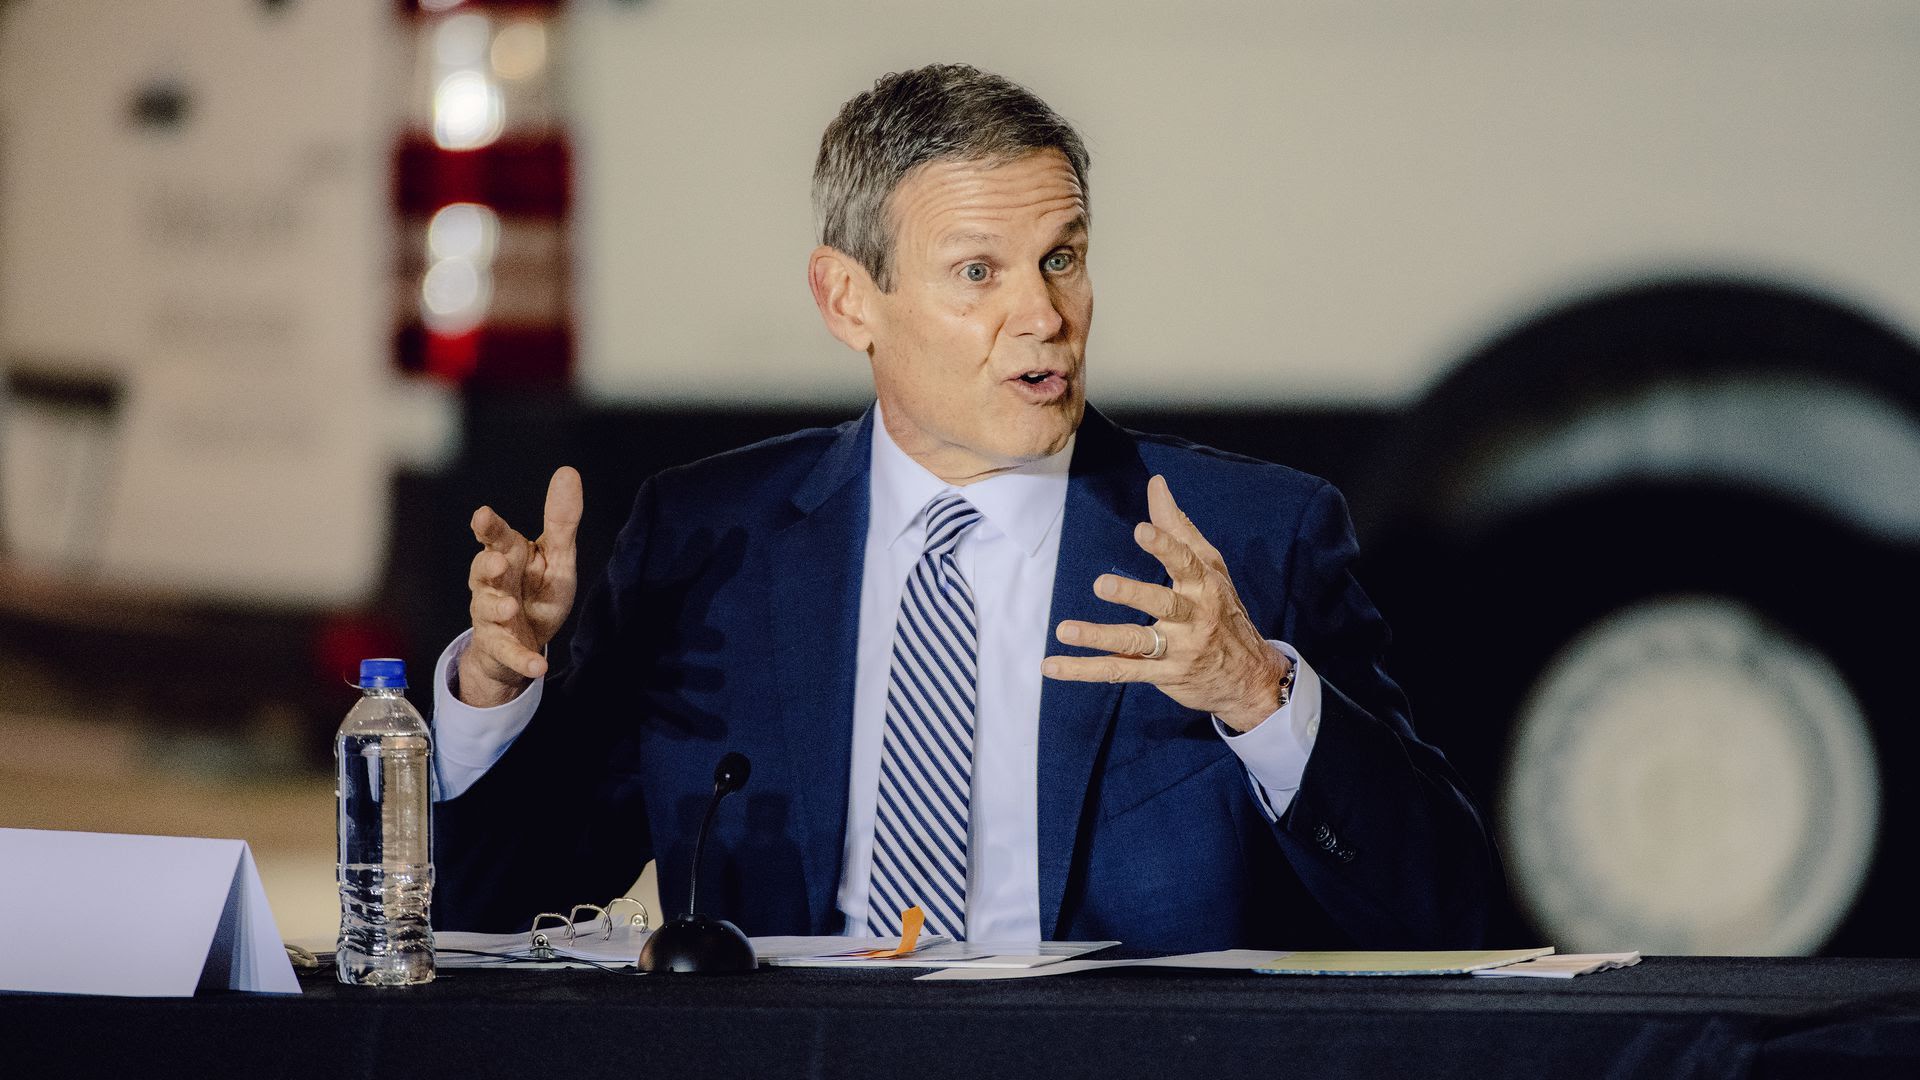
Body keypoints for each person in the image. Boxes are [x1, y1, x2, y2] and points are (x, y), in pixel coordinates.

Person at [430, 64, 1501, 952]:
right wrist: (492, 692)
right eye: (978, 272)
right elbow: (491, 908)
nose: (1042, 316)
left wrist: (1255, 691)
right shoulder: (710, 542)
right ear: (850, 300)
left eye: (1063, 260)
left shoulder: (1249, 540)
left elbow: (1443, 914)